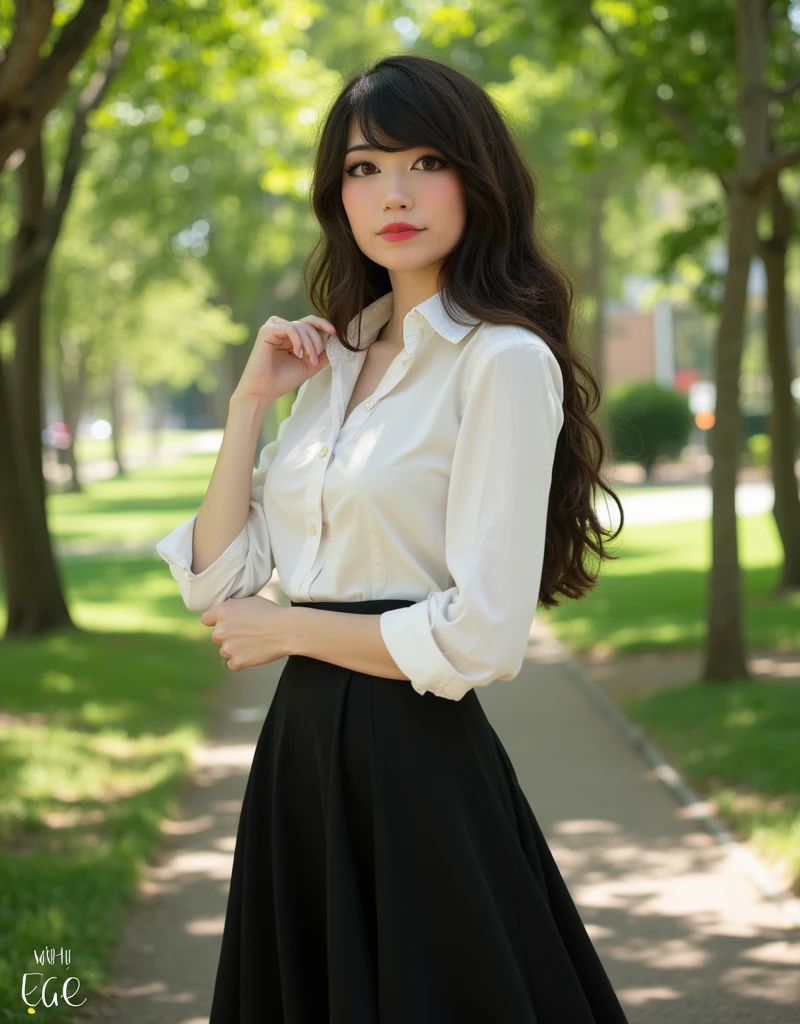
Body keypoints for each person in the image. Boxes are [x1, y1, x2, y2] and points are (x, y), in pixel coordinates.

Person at [156, 53, 628, 1024]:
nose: (393, 193)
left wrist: (287, 630)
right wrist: (250, 405)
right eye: (364, 169)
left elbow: (481, 638)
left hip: (414, 754)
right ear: (338, 196)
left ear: (477, 177)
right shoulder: (328, 362)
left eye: (424, 161)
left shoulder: (498, 361)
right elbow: (219, 582)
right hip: (298, 755)